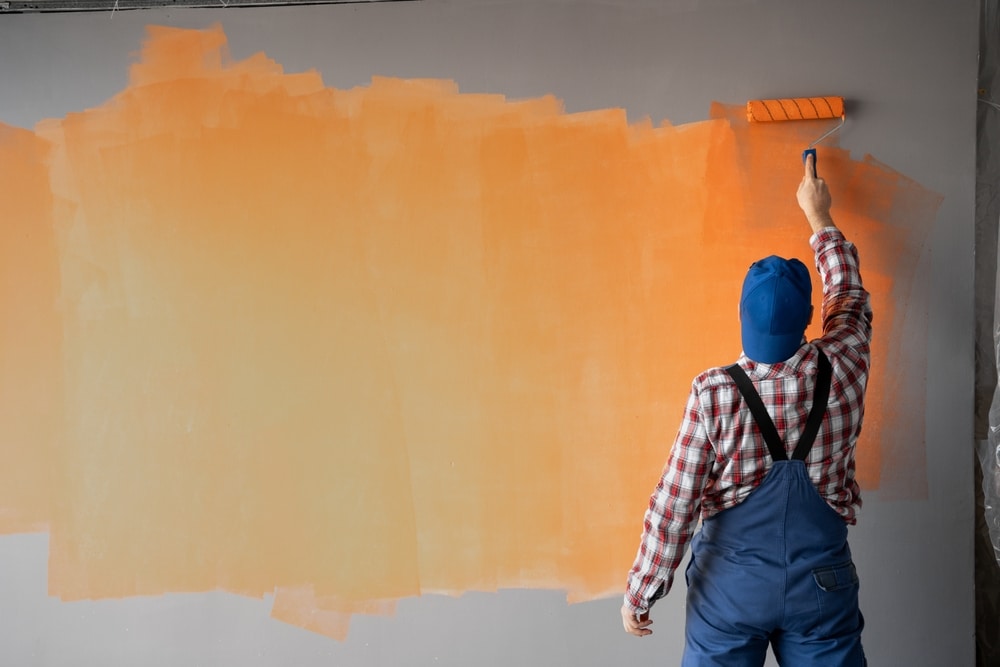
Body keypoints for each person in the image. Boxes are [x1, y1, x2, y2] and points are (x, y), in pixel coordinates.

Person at [621, 154, 871, 666]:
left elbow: (674, 506)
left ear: (740, 314)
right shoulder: (844, 363)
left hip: (731, 591)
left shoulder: (713, 392)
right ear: (808, 318)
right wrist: (819, 217)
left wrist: (642, 591)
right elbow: (847, 297)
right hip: (821, 587)